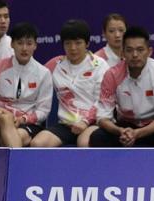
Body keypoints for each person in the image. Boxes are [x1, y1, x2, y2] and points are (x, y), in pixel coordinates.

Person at [90, 26, 154, 147]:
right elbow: (102, 117)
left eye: (140, 50)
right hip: (124, 128)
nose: (135, 55)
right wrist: (120, 131)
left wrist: (138, 133)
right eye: (129, 50)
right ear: (122, 52)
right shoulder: (112, 75)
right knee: (98, 137)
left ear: (149, 51)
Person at [31, 20, 109, 148]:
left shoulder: (100, 66)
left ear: (87, 43)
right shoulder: (56, 66)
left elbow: (102, 101)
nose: (73, 48)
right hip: (66, 125)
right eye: (68, 43)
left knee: (83, 143)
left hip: (93, 123)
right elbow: (33, 78)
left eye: (78, 43)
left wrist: (85, 122)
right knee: (37, 143)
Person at [0, 22, 53, 148]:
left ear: (35, 45)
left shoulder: (43, 73)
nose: (24, 48)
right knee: (5, 119)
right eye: (20, 43)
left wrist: (23, 119)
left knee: (13, 138)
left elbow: (43, 110)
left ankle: (13, 163)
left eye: (29, 43)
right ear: (12, 44)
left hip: (27, 124)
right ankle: (18, 166)